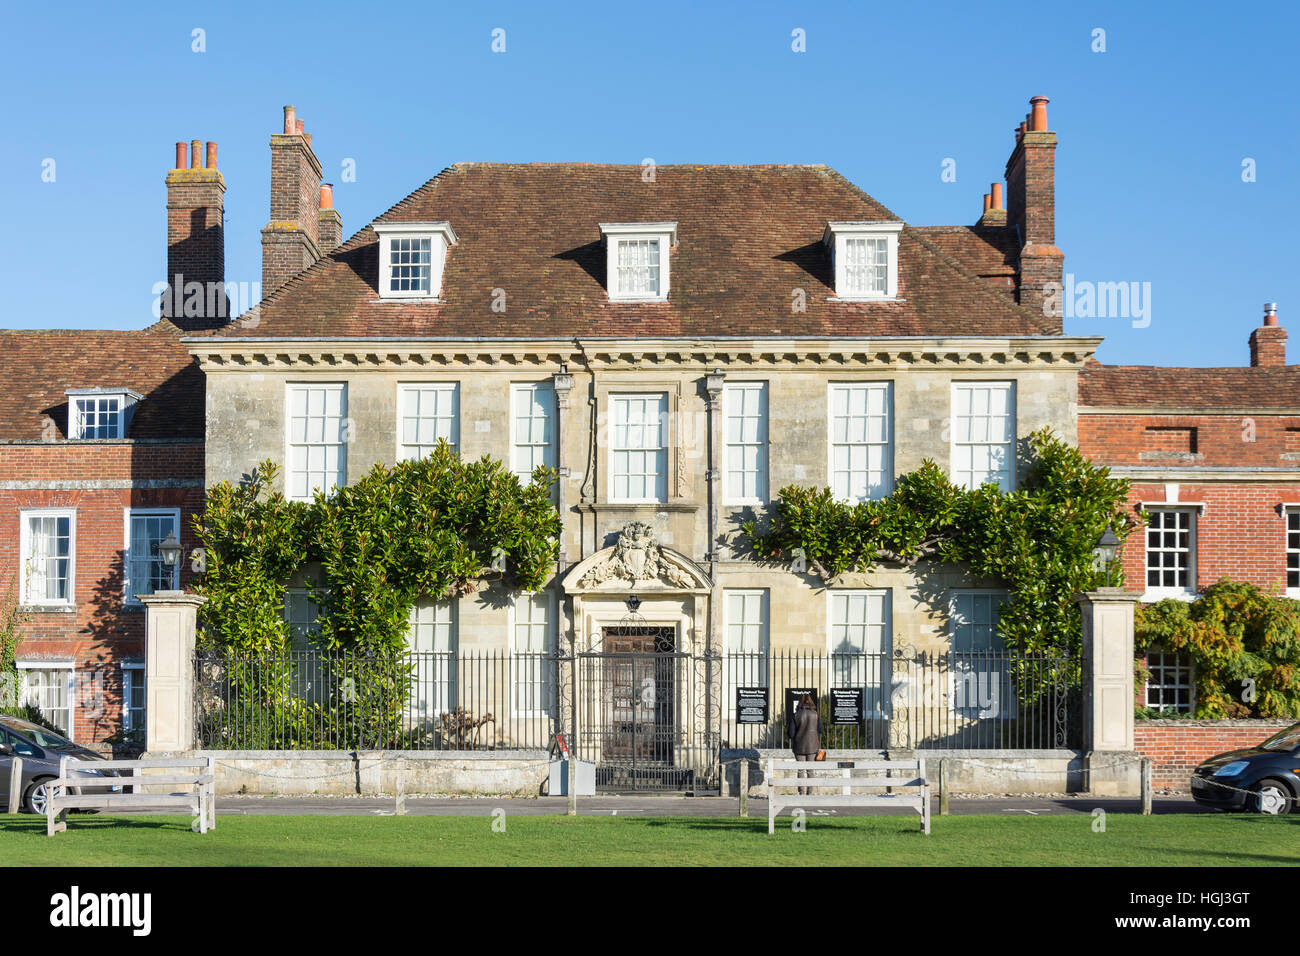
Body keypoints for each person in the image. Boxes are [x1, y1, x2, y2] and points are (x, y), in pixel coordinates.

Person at [788, 694, 824, 795]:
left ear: (799, 702)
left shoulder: (796, 715)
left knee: (800, 771)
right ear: (811, 702)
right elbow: (821, 730)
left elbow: (791, 734)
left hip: (799, 746)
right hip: (813, 746)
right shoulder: (815, 714)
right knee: (810, 770)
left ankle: (802, 793)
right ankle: (810, 793)